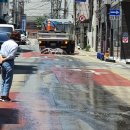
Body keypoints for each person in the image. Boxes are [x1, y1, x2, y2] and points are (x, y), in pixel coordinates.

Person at [0, 32, 18, 102]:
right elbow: (11, 55)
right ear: (17, 38)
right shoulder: (15, 45)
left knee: (3, 79)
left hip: (2, 62)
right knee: (8, 80)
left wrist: (1, 60)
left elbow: (1, 53)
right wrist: (5, 59)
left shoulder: (5, 43)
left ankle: (1, 96)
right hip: (9, 62)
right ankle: (5, 96)